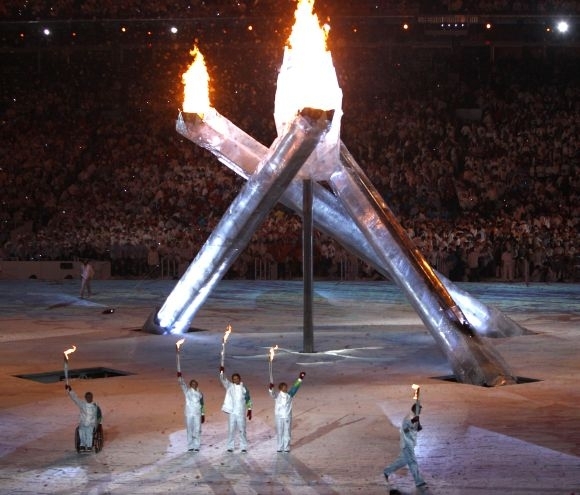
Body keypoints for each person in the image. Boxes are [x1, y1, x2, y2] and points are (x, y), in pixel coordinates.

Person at [383, 401, 427, 491]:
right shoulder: (409, 417)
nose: (421, 411)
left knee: (402, 461)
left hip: (411, 443)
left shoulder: (415, 417)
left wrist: (418, 422)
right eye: (420, 409)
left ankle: (387, 471)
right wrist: (413, 421)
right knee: (413, 462)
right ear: (416, 409)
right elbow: (406, 428)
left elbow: (418, 428)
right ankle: (419, 481)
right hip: (407, 444)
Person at [268, 371, 305, 453]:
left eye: (286, 387)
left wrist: (300, 379)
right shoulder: (277, 396)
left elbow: (295, 387)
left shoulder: (289, 395)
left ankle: (286, 447)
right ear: (280, 388)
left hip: (287, 416)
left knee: (287, 432)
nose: (286, 388)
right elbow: (272, 394)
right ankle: (279, 447)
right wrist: (270, 388)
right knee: (280, 431)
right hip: (279, 416)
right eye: (284, 387)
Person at [219, 366, 252, 453]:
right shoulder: (230, 386)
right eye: (234, 379)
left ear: (239, 379)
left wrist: (249, 409)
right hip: (232, 412)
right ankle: (230, 446)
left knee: (242, 430)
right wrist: (222, 372)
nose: (235, 380)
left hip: (241, 412)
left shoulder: (244, 388)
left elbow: (248, 399)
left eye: (237, 378)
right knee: (231, 430)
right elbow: (223, 380)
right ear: (232, 380)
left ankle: (243, 446)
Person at [65, 384, 101, 451]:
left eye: (90, 397)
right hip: (83, 422)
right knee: (81, 430)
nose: (89, 398)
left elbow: (99, 415)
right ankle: (82, 445)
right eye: (88, 397)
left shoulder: (95, 405)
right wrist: (70, 390)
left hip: (91, 423)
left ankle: (89, 446)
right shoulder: (82, 404)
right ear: (85, 397)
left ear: (92, 397)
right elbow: (75, 398)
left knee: (88, 431)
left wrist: (98, 423)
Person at [177, 372, 205, 452]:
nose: (194, 385)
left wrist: (203, 414)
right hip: (189, 413)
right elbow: (182, 384)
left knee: (197, 429)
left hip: (197, 414)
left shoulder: (200, 394)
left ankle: (196, 446)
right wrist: (180, 377)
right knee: (189, 429)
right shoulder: (187, 392)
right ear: (190, 385)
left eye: (195, 383)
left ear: (197, 384)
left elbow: (202, 404)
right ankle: (190, 446)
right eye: (192, 384)